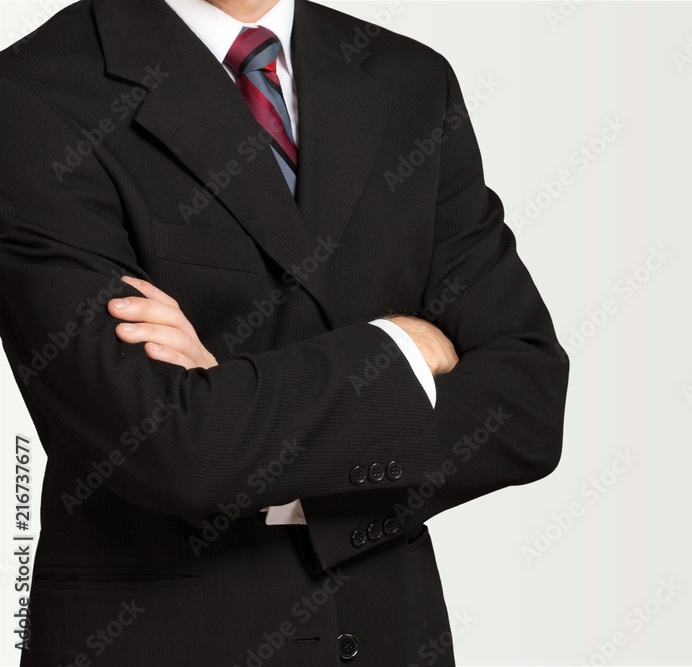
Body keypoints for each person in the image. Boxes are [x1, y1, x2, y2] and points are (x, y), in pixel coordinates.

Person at [0, 0, 569, 663]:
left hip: (387, 635)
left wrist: (229, 398)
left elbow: (528, 402)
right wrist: (407, 348)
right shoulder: (33, 95)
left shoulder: (410, 80)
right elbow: (170, 443)